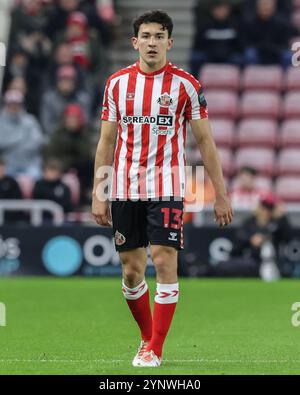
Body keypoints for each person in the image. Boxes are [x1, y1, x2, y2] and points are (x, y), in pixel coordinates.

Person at [91, 10, 233, 367]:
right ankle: (146, 337)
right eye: (146, 36)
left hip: (167, 185)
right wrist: (99, 191)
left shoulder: (186, 85)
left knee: (164, 260)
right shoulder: (116, 84)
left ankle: (155, 348)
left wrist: (221, 194)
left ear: (170, 42)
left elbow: (206, 143)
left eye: (159, 36)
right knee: (131, 271)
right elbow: (106, 142)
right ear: (134, 42)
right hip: (124, 186)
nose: (152, 43)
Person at [215, 193, 292, 278]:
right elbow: (239, 239)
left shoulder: (277, 223)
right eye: (263, 207)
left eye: (269, 208)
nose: (265, 211)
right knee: (223, 266)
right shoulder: (249, 223)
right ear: (259, 207)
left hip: (271, 262)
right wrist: (251, 239)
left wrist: (282, 217)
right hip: (250, 259)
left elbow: (287, 237)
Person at [45, 103, 95, 204]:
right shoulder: (58, 133)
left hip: (81, 167)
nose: (72, 121)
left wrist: (77, 134)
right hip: (62, 166)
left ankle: (86, 200)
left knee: (89, 167)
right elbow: (52, 153)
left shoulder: (85, 132)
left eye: (75, 118)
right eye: (70, 118)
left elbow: (87, 153)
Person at [190, 1, 243, 77]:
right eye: (218, 9)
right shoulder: (205, 26)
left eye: (224, 9)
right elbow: (198, 45)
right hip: (209, 56)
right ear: (213, 11)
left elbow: (239, 46)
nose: (221, 11)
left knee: (240, 59)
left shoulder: (235, 26)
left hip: (229, 56)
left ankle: (239, 85)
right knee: (196, 57)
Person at [0, 89, 44, 179]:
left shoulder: (30, 120)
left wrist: (12, 146)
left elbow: (37, 142)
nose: (14, 107)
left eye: (17, 104)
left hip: (30, 163)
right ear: (6, 104)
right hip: (7, 164)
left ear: (21, 105)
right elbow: (1, 142)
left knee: (37, 179)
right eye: (11, 104)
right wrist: (20, 139)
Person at [243, 0, 298, 67]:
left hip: (276, 51)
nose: (265, 7)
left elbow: (284, 43)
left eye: (267, 5)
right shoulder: (249, 23)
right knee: (250, 54)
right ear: (257, 7)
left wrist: (273, 48)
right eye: (263, 5)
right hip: (258, 51)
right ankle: (252, 75)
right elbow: (246, 42)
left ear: (274, 7)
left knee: (287, 56)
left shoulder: (282, 23)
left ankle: (287, 76)